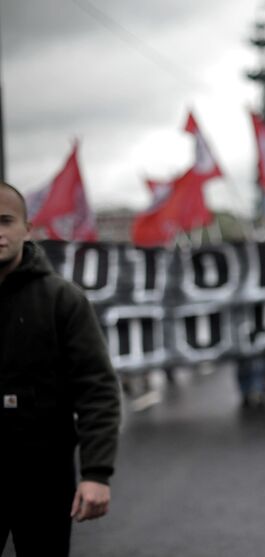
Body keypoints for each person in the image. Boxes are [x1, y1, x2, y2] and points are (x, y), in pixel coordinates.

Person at [0, 182, 121, 556]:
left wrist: (96, 473)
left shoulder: (61, 299)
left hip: (43, 476)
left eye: (5, 221)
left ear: (27, 228)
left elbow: (97, 388)